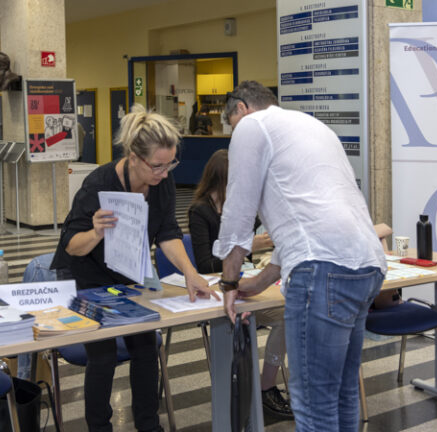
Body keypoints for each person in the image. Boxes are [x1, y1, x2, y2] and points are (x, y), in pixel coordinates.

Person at [212, 81, 386, 431]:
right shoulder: (311, 126)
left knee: (313, 403)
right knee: (342, 393)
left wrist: (229, 282)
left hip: (322, 271)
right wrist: (260, 281)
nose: (234, 134)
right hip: (367, 263)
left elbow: (238, 212)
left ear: (241, 108)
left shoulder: (251, 125)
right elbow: (307, 221)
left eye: (231, 125)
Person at [50, 104, 218, 432]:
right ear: (133, 157)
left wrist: (191, 273)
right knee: (103, 354)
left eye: (171, 164)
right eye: (157, 166)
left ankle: (148, 425)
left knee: (145, 347)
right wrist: (97, 232)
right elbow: (72, 246)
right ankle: (99, 427)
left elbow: (167, 232)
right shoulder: (98, 184)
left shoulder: (161, 182)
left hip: (129, 273)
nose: (165, 173)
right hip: (88, 275)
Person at [187, 149, 293, 419]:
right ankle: (242, 394)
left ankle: (266, 385)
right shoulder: (200, 211)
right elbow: (205, 265)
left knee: (286, 315)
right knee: (243, 322)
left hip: (245, 287)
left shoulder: (242, 209)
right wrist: (247, 247)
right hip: (217, 290)